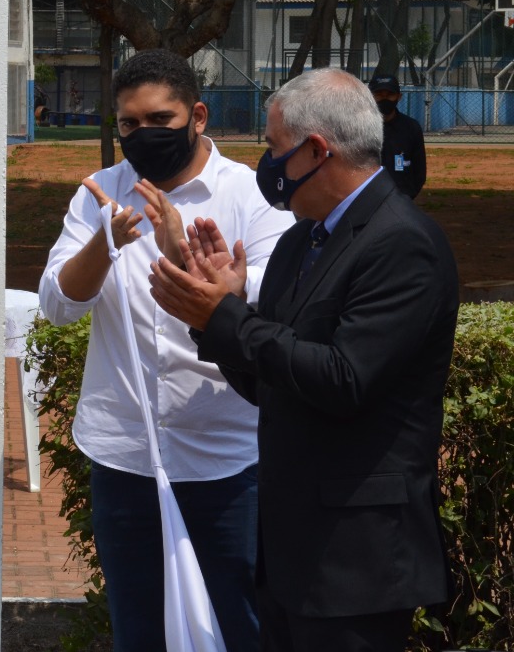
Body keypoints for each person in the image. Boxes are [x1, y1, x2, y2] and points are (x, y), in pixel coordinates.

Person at [148, 67, 457, 652]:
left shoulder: (402, 243)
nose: (269, 164)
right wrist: (219, 312)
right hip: (291, 550)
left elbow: (344, 379)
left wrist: (226, 318)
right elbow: (277, 381)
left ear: (318, 150)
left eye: (274, 148)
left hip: (356, 560)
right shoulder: (303, 239)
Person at [38, 49, 294, 652]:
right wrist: (106, 240)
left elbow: (281, 294)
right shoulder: (101, 193)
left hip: (227, 459)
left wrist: (193, 265)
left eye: (160, 120)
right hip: (126, 456)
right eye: (129, 124)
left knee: (238, 625)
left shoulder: (250, 195)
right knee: (141, 628)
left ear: (197, 116)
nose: (143, 135)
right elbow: (58, 303)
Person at [369, 73, 426, 198]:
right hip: (368, 201)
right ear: (370, 97)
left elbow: (419, 172)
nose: (385, 99)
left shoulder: (411, 128)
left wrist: (406, 198)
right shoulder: (359, 128)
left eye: (390, 95)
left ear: (399, 97)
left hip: (401, 200)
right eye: (379, 95)